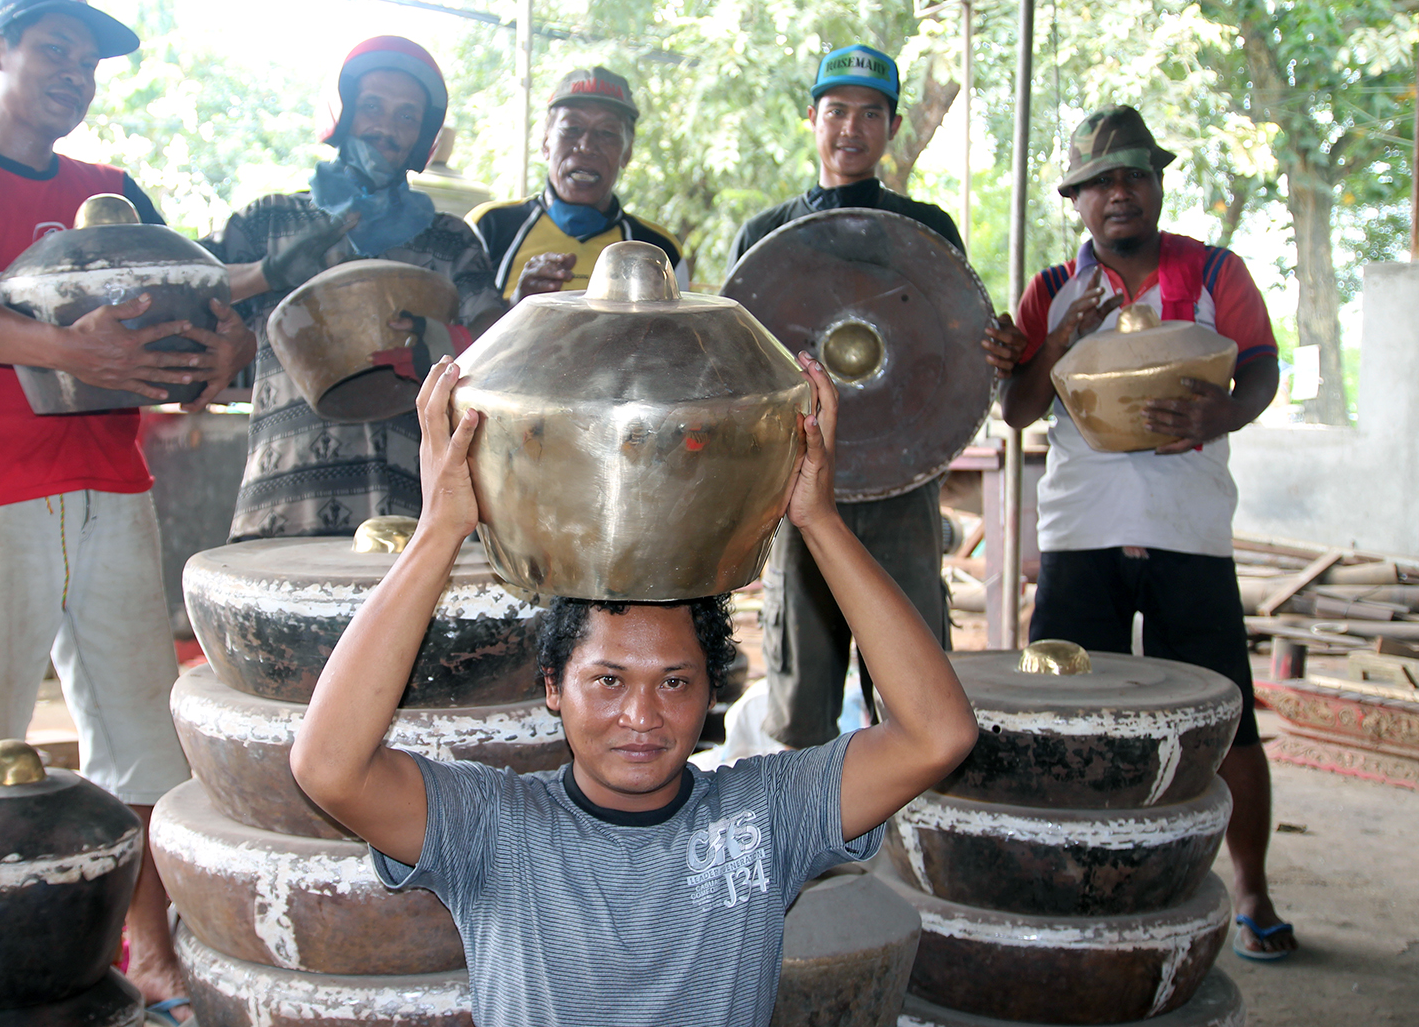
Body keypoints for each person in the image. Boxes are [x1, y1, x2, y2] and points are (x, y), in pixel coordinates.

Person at [289, 353, 979, 1027]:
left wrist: (821, 524)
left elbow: (936, 734)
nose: (642, 716)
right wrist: (437, 533)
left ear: (712, 691)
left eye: (675, 682)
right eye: (608, 680)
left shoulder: (765, 819)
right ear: (554, 687)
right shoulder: (491, 828)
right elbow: (328, 767)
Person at [0, 0, 244, 1018]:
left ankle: (147, 949)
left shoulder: (112, 184)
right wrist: (66, 349)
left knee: (144, 738)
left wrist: (224, 348)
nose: (75, 75)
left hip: (109, 486)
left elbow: (200, 305)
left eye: (89, 61)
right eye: (54, 51)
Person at [997, 105, 1291, 962]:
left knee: (1223, 718)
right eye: (1098, 183)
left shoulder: (1212, 271)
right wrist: (1061, 337)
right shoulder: (1052, 289)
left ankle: (1251, 889)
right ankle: (1062, 878)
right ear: (1076, 201)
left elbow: (1262, 363)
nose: (1117, 194)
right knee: (1064, 712)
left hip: (1186, 527)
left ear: (1157, 185)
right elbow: (1015, 410)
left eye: (1132, 176)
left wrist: (1227, 406)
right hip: (1081, 529)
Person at [727, 43, 1022, 749]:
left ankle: (905, 848)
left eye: (869, 114)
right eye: (836, 112)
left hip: (901, 484)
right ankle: (810, 853)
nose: (850, 129)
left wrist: (993, 353)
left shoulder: (926, 232)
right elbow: (739, 366)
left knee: (910, 682)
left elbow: (949, 349)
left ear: (891, 129)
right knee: (802, 697)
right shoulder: (766, 236)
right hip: (800, 486)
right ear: (811, 119)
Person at [205, 36, 502, 541]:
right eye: (372, 108)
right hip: (285, 504)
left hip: (418, 509)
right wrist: (268, 271)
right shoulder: (271, 219)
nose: (387, 128)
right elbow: (193, 287)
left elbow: (500, 341)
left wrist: (446, 343)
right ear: (340, 115)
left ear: (423, 136)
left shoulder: (449, 240)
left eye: (407, 117)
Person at [467, 67, 688, 300]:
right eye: (572, 129)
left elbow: (675, 335)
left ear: (627, 152)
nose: (586, 146)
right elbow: (457, 331)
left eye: (607, 132)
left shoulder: (659, 252)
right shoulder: (487, 227)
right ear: (545, 143)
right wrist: (519, 305)